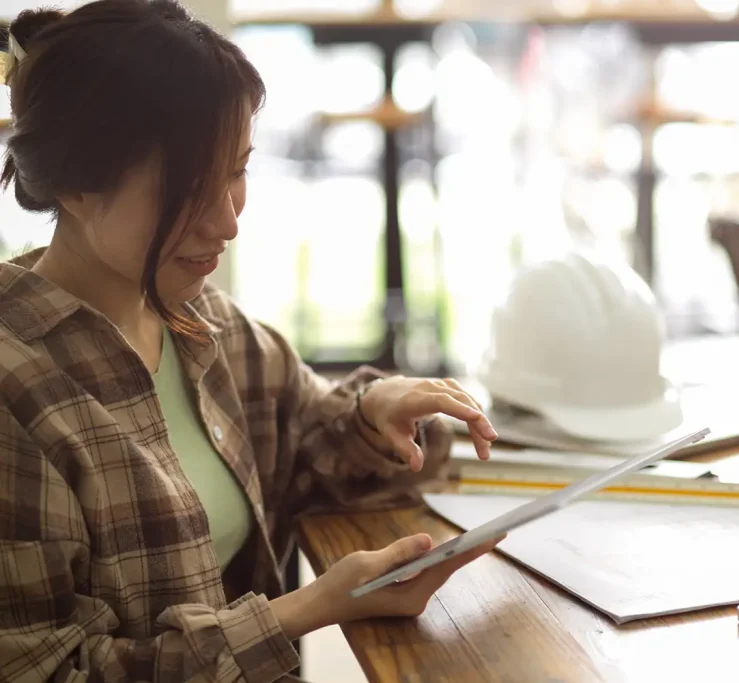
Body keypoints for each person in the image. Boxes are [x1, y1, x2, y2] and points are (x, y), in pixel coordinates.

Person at [0, 2, 500, 681]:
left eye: (237, 172)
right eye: (194, 188)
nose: (228, 221)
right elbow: (48, 669)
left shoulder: (204, 324)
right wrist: (305, 609)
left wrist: (377, 410)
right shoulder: (16, 386)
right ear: (78, 185)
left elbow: (306, 439)